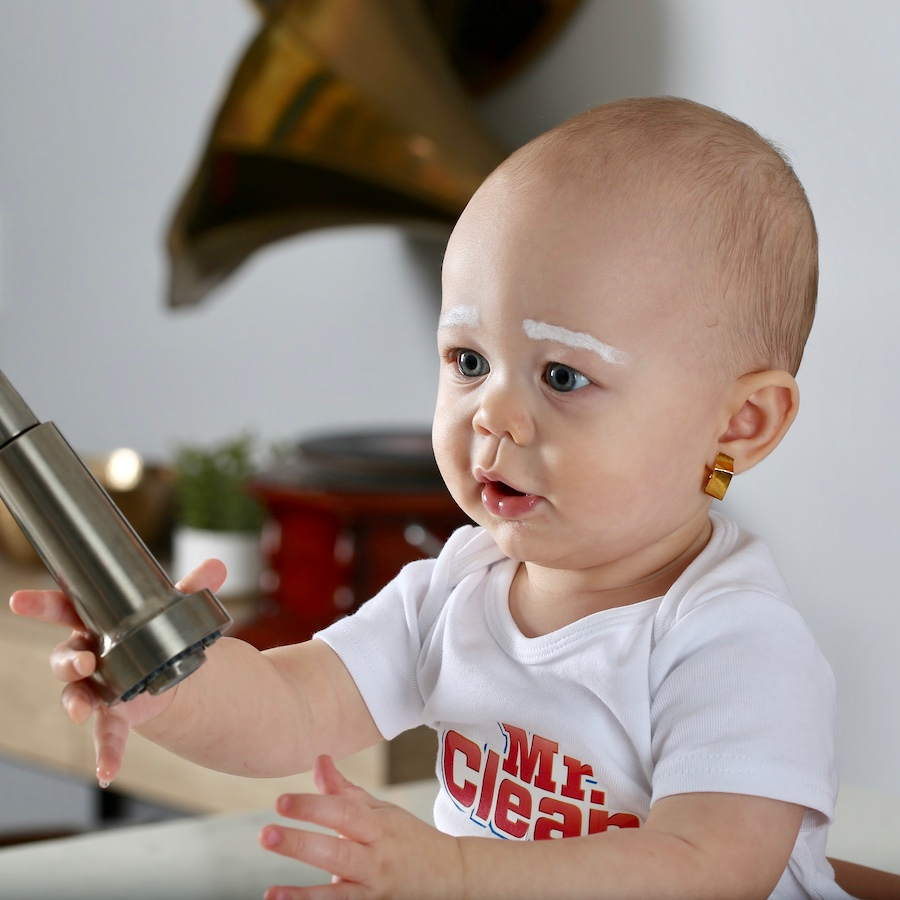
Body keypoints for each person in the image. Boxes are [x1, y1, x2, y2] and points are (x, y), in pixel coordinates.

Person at [10, 97, 852, 899]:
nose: (494, 414)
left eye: (564, 375)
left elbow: (707, 871)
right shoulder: (459, 588)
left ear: (738, 424)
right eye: (468, 361)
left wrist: (457, 879)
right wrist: (162, 679)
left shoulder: (731, 641)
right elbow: (292, 706)